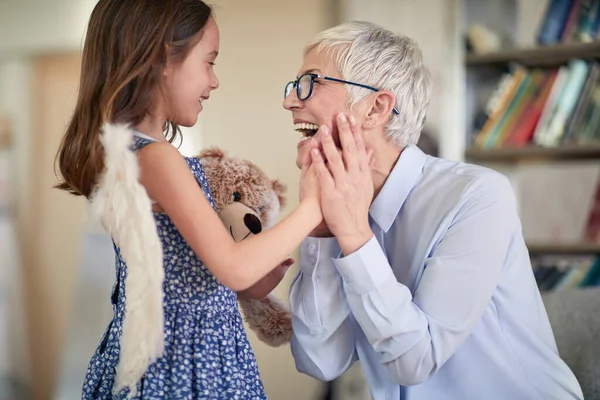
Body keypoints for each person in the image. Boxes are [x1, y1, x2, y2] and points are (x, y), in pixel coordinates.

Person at [53, 1, 354, 398]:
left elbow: (194, 270)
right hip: (187, 357)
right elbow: (232, 268)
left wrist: (249, 282)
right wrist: (314, 205)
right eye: (209, 62)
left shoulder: (135, 152)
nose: (214, 81)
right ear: (163, 58)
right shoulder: (155, 157)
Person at [284, 21, 583, 400]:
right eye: (294, 86)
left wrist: (355, 237)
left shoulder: (477, 195)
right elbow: (320, 361)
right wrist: (324, 236)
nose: (290, 101)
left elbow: (414, 362)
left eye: (310, 82)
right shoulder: (334, 206)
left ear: (376, 108)